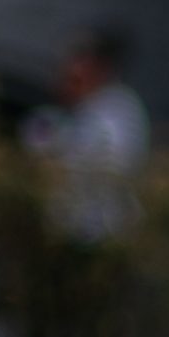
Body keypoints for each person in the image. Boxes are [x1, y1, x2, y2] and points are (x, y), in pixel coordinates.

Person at [20, 27, 149, 337]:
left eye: (77, 74)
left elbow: (104, 168)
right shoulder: (78, 117)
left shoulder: (116, 115)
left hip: (101, 239)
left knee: (98, 330)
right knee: (57, 323)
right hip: (70, 237)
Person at [24, 27, 149, 245]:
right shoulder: (60, 116)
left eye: (76, 77)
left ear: (99, 71)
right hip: (67, 234)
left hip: (106, 235)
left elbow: (112, 162)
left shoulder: (118, 109)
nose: (66, 85)